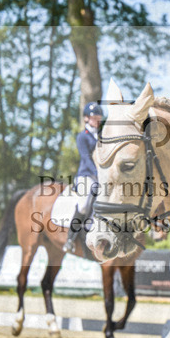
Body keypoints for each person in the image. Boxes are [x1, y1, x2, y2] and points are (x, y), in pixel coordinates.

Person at [64, 101, 103, 256]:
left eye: (99, 117)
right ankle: (70, 238)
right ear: (87, 118)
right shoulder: (82, 137)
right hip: (86, 175)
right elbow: (86, 158)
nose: (97, 120)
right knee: (83, 206)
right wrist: (98, 174)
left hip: (101, 177)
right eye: (95, 117)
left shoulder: (102, 136)